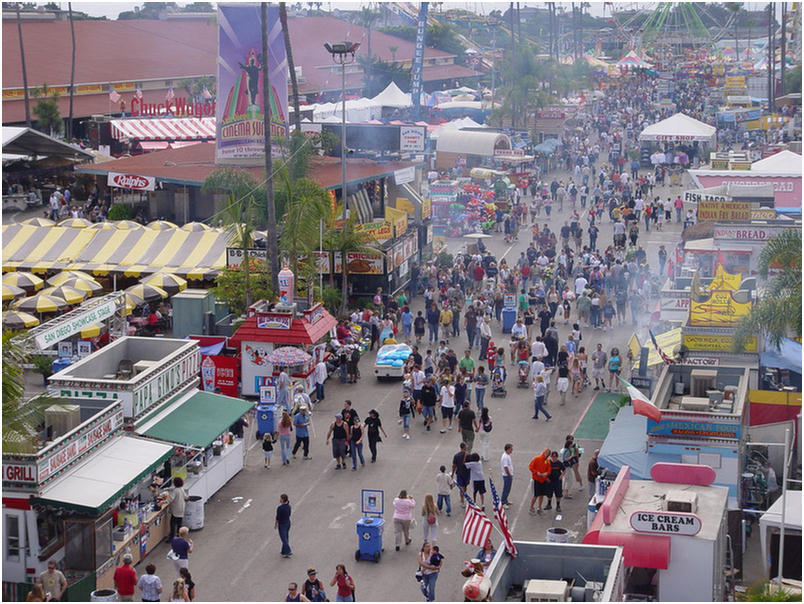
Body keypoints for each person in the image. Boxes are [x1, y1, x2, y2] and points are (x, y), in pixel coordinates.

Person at [528, 448, 551, 515]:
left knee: (541, 495)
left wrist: (546, 474)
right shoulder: (537, 458)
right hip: (536, 480)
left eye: (548, 454)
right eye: (546, 453)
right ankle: (531, 508)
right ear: (544, 452)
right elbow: (530, 467)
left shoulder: (547, 461)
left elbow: (549, 469)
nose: (547, 454)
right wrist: (536, 472)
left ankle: (539, 508)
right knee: (535, 495)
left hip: (543, 480)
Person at [167, 477, 187, 541]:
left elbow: (170, 499)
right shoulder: (181, 489)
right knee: (179, 524)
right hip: (181, 508)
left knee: (172, 524)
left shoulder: (175, 490)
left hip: (176, 510)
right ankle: (179, 537)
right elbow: (185, 497)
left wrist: (164, 501)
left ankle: (171, 537)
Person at [275, 493, 292, 558]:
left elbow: (278, 517)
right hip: (288, 523)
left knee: (283, 538)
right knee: (286, 537)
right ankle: (283, 551)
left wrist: (276, 524)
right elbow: (289, 514)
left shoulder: (280, 508)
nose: (280, 499)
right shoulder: (288, 506)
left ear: (283, 500)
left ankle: (288, 551)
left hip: (282, 524)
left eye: (281, 498)